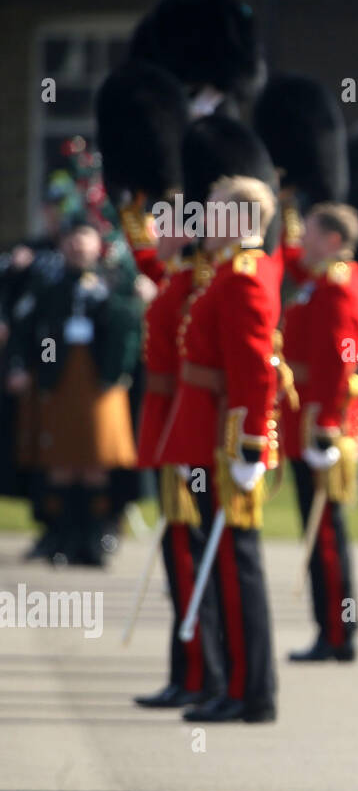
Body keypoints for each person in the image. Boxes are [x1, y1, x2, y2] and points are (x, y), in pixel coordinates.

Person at [161, 175, 283, 724]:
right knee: (224, 564)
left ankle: (249, 690)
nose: (203, 222)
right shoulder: (230, 272)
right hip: (207, 433)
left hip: (225, 442)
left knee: (236, 565)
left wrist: (250, 446)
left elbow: (254, 371)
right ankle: (235, 683)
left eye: (213, 212)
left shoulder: (244, 276)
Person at [6, 219, 141, 565]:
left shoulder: (114, 282)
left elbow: (127, 329)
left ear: (98, 245)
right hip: (62, 374)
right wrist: (44, 365)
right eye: (72, 240)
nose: (78, 247)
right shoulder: (50, 283)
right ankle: (60, 535)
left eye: (85, 239)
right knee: (61, 460)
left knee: (97, 460)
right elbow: (39, 330)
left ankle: (94, 537)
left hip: (101, 377)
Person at [133, 229, 224, 707]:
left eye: (164, 225)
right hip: (168, 423)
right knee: (179, 557)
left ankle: (199, 672)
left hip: (182, 426)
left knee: (188, 558)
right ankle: (187, 670)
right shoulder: (179, 279)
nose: (154, 233)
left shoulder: (195, 285)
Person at [282, 203, 358, 662]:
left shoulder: (337, 287)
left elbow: (340, 360)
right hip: (316, 418)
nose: (302, 239)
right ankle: (334, 628)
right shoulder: (324, 278)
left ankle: (337, 632)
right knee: (321, 531)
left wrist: (322, 425)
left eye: (311, 233)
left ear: (334, 240)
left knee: (326, 535)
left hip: (322, 423)